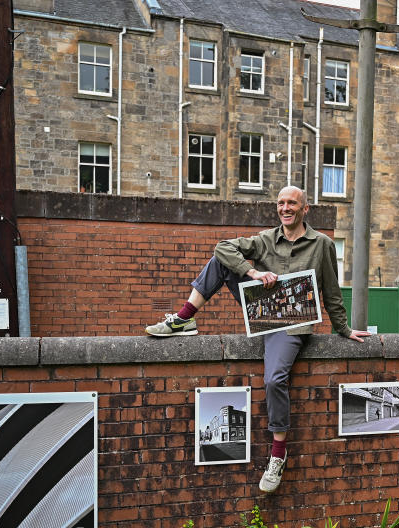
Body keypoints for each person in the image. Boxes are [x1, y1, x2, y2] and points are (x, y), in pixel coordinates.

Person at [146, 185, 371, 492]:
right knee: (222, 261)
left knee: (275, 378)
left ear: (306, 209)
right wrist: (251, 273)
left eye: (292, 203)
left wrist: (343, 329)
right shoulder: (266, 239)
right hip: (262, 310)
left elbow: (331, 291)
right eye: (280, 203)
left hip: (291, 325)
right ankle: (184, 318)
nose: (285, 208)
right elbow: (223, 247)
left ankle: (278, 453)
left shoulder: (322, 244)